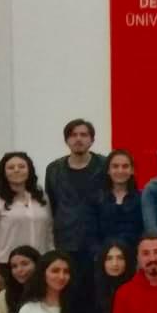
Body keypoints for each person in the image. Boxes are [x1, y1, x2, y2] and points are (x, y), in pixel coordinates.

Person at [44, 118, 105, 281]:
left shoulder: (104, 166)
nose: (78, 139)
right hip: (66, 243)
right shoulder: (54, 170)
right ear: (66, 140)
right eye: (73, 135)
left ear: (92, 140)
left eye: (83, 135)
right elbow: (52, 206)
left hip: (97, 243)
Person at [0, 152, 53, 262]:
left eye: (22, 166)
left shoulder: (41, 198)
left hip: (40, 263)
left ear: (29, 170)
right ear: (4, 173)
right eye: (11, 167)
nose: (16, 170)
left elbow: (50, 233)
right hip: (7, 265)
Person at [96, 150, 144, 257]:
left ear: (132, 170)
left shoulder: (141, 199)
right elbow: (92, 234)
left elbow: (144, 232)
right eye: (115, 166)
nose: (120, 170)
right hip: (104, 258)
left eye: (125, 166)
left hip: (134, 258)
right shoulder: (97, 199)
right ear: (108, 170)